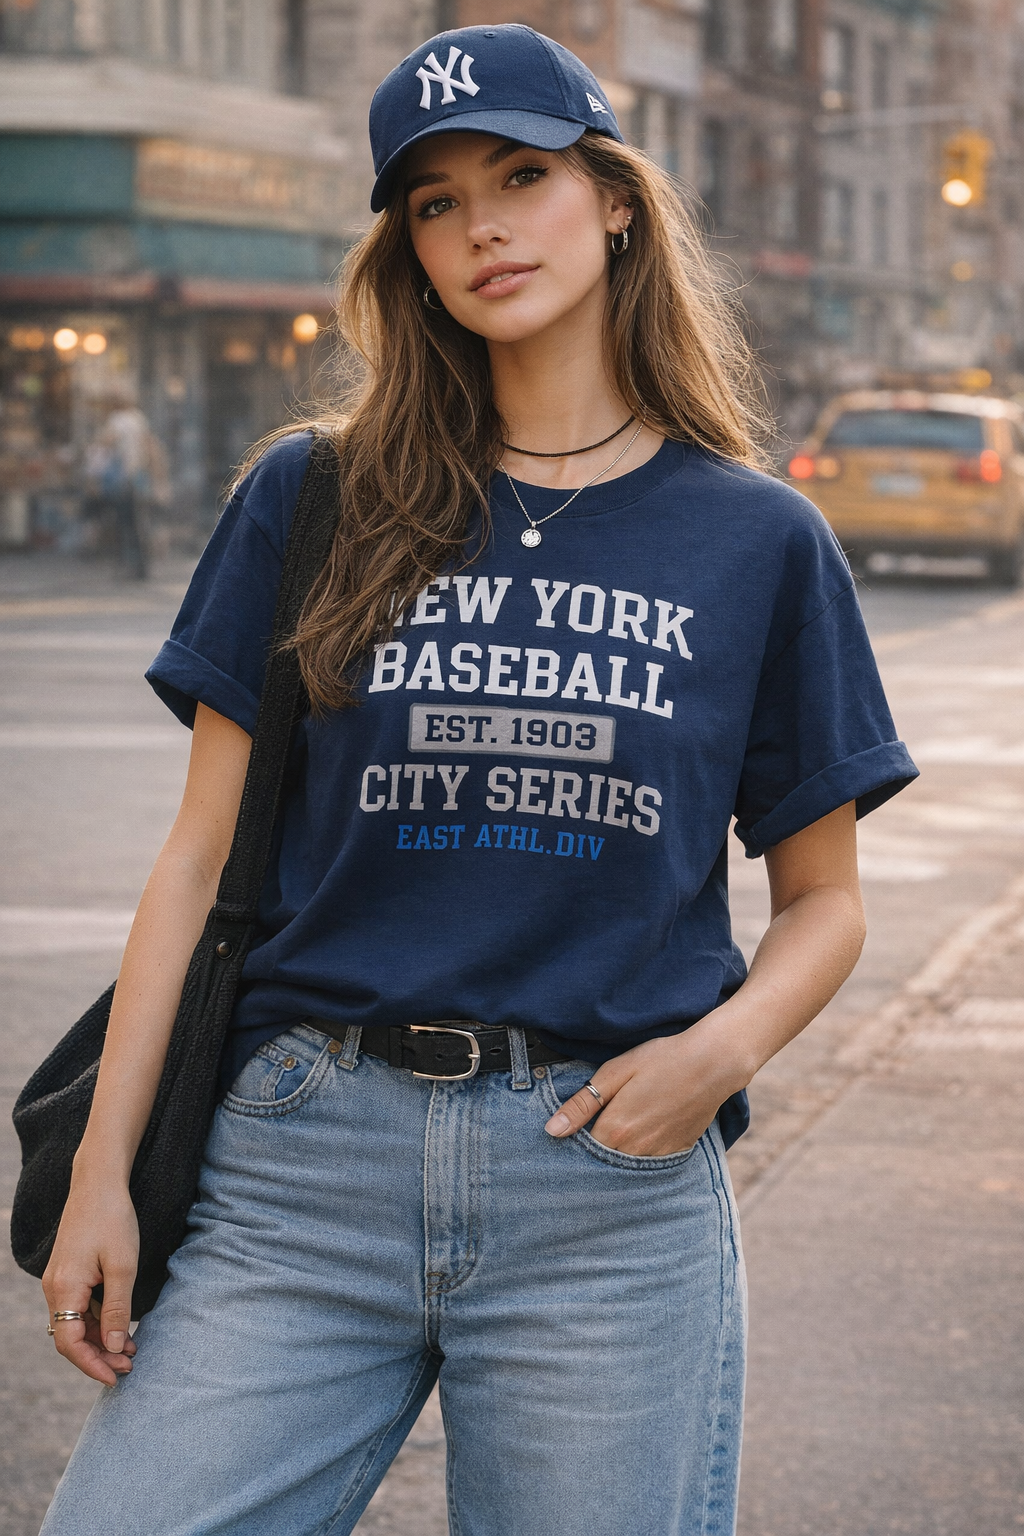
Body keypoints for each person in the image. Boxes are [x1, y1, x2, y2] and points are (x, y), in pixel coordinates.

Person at [37, 26, 917, 1536]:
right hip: (304, 1165)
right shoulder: (314, 494)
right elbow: (193, 864)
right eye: (434, 202)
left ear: (617, 201)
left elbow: (824, 902)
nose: (484, 225)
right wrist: (100, 1177)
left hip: (605, 1191)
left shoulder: (757, 539)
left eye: (522, 174)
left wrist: (716, 1062)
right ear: (406, 251)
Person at [84, 386, 168, 578]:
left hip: (124, 479)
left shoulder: (118, 421)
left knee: (125, 523)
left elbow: (107, 442)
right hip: (139, 476)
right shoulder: (138, 418)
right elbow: (148, 447)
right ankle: (141, 565)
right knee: (139, 522)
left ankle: (127, 564)